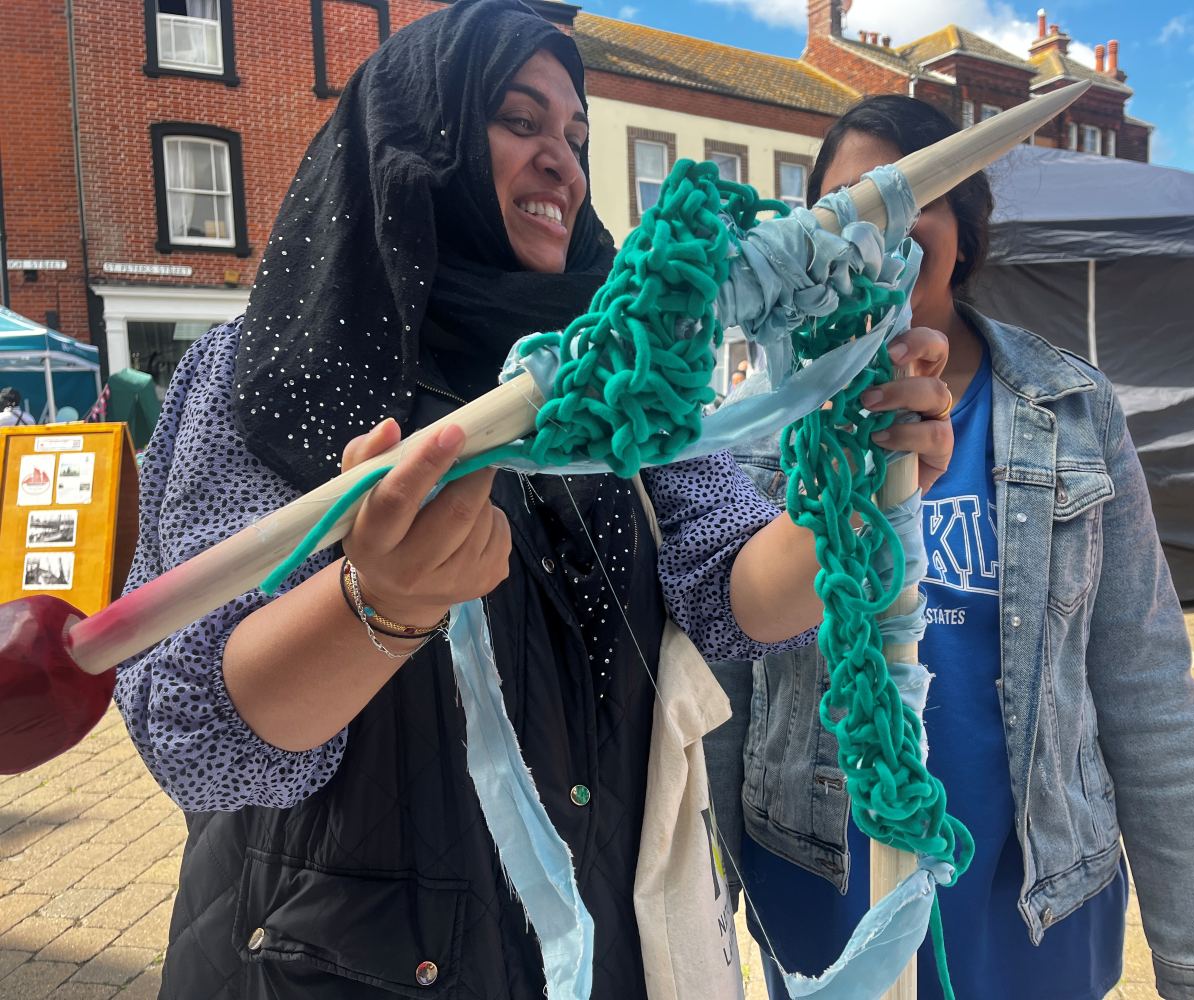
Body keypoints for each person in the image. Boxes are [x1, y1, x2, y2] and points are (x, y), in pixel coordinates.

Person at [113, 6, 952, 998]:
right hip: (330, 962)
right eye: (519, 120)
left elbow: (736, 593)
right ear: (417, 138)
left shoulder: (621, 379)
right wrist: (376, 603)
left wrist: (849, 491)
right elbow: (200, 731)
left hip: (595, 949)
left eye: (578, 135)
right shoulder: (271, 364)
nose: (562, 160)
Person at [713, 96, 1194, 1000]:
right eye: (844, 200)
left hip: (1032, 905)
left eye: (913, 193)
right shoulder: (754, 431)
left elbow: (1144, 686)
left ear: (964, 230)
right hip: (825, 890)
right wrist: (699, 922)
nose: (875, 223)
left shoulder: (1072, 410)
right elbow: (718, 685)